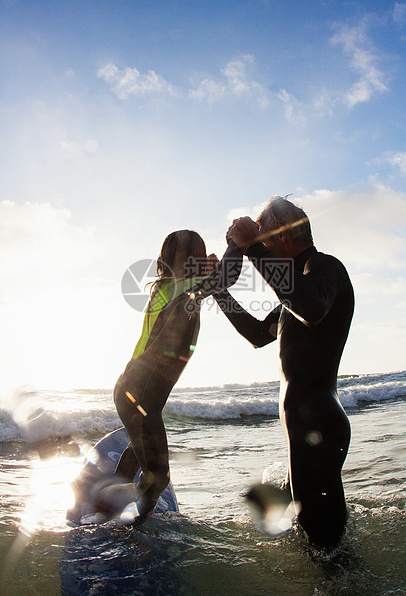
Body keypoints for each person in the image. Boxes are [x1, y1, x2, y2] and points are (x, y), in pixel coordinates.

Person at [213, 196, 354, 551]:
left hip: (318, 420)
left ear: (284, 236)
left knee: (319, 534)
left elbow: (311, 307)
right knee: (317, 531)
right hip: (306, 424)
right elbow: (259, 335)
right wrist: (219, 291)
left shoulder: (325, 268)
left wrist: (253, 248)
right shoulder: (298, 288)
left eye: (265, 239)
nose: (259, 251)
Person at [98, 230, 242, 521]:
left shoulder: (164, 287)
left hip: (130, 389)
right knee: (158, 476)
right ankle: (133, 529)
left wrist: (209, 267)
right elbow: (226, 278)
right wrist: (235, 244)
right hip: (139, 394)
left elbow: (212, 282)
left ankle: (105, 503)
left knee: (139, 446)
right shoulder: (185, 286)